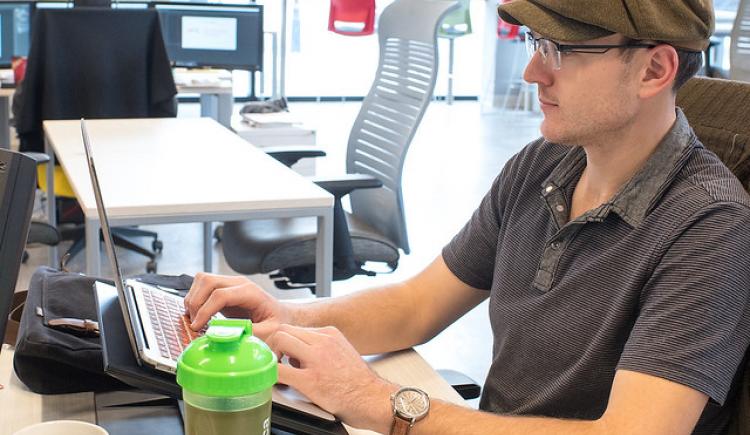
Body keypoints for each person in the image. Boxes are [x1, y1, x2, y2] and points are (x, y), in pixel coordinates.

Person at [185, 1, 750, 433]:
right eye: (535, 42)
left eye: (560, 49)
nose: (533, 72)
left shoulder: (711, 226)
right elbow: (418, 305)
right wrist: (286, 318)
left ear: (654, 69)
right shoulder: (545, 164)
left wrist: (385, 404)